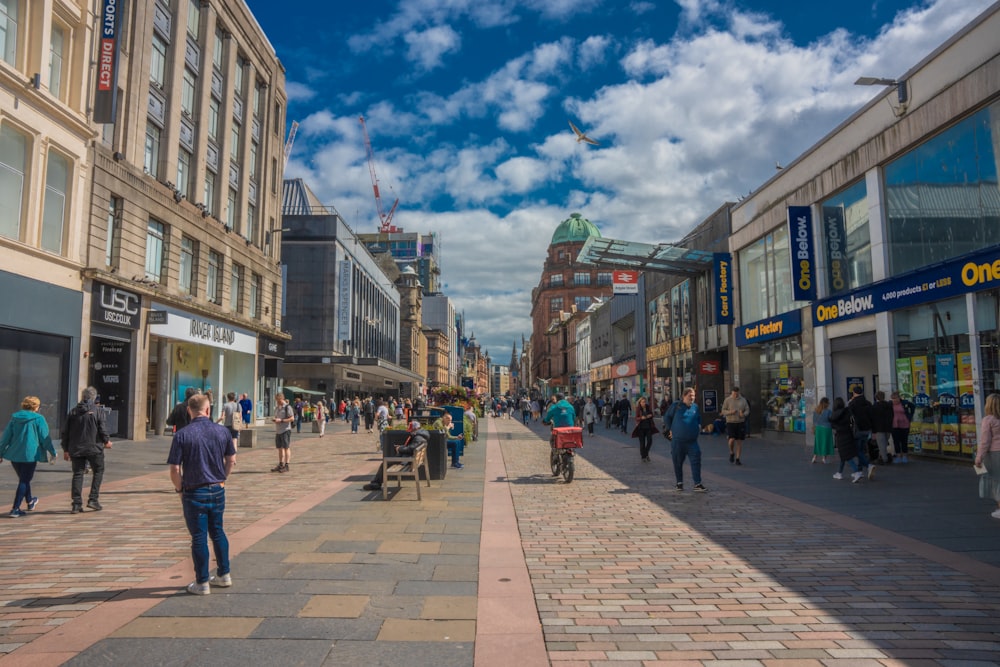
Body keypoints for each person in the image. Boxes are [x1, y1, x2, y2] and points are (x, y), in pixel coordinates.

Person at [167, 393, 237, 595]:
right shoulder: (222, 431)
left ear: (189, 410)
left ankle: (202, 582)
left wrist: (180, 489)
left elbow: (174, 469)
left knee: (198, 537)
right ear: (208, 410)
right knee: (218, 531)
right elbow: (231, 459)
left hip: (194, 490)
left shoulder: (182, 434)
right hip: (217, 488)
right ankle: (224, 574)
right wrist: (222, 479)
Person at [0, 396, 57, 517]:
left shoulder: (15, 418)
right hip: (30, 454)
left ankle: (30, 501)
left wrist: (0, 452)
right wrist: (52, 452)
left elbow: (5, 438)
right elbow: (44, 438)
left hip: (15, 455)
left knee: (24, 478)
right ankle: (15, 508)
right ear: (36, 407)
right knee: (24, 480)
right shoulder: (39, 419)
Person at [62, 387, 113, 513]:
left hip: (76, 447)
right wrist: (106, 441)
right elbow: (102, 428)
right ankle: (93, 499)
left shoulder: (73, 411)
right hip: (94, 447)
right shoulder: (98, 411)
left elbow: (65, 432)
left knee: (78, 474)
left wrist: (66, 449)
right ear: (94, 397)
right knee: (98, 471)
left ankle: (76, 503)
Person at [363, 421, 430, 491]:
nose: (410, 432)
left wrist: (400, 449)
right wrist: (401, 447)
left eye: (411, 430)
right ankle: (376, 483)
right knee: (387, 462)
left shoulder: (418, 438)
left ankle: (376, 484)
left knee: (384, 464)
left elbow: (410, 449)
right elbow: (412, 447)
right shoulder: (421, 436)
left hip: (407, 461)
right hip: (410, 459)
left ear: (415, 429)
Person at [663, 388, 707, 492]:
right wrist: (669, 429)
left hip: (692, 442)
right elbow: (667, 417)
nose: (692, 398)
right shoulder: (676, 406)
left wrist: (699, 425)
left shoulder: (695, 407)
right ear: (684, 396)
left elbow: (698, 418)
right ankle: (679, 483)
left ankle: (697, 483)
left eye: (693, 396)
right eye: (690, 396)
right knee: (677, 462)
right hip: (678, 441)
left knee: (696, 461)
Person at [975, 393, 1000, 519]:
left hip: (994, 453)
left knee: (996, 480)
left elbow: (985, 441)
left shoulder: (988, 420)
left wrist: (979, 458)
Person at [830, 397, 863, 482]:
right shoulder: (847, 412)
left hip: (840, 436)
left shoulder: (834, 415)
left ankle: (856, 471)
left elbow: (833, 425)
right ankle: (839, 472)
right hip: (849, 434)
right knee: (844, 455)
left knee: (846, 456)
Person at [848, 386, 874, 479]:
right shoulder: (868, 403)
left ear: (854, 393)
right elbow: (872, 417)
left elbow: (849, 416)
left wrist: (850, 402)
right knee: (862, 450)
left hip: (858, 429)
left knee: (857, 450)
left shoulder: (853, 403)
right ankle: (860, 470)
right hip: (867, 429)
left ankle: (868, 465)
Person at [722, 387, 749, 465]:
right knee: (731, 439)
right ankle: (731, 452)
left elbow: (747, 410)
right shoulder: (727, 400)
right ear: (731, 393)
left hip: (740, 422)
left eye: (737, 394)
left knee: (739, 441)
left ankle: (737, 458)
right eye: (734, 394)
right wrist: (730, 412)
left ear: (739, 393)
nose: (735, 395)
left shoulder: (743, 400)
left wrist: (743, 414)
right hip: (730, 421)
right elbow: (723, 411)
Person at [631, 396, 659, 462]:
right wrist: (641, 418)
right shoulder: (638, 408)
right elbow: (636, 418)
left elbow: (652, 414)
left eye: (644, 402)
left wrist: (650, 415)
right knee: (642, 443)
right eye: (643, 402)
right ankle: (643, 457)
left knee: (650, 441)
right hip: (641, 427)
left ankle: (645, 453)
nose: (644, 403)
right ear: (640, 402)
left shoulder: (647, 407)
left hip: (648, 426)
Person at [272, 394, 295, 473]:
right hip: (278, 430)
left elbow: (292, 418)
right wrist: (275, 419)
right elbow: (276, 416)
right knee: (279, 448)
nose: (277, 402)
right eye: (276, 400)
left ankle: (287, 465)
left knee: (286, 447)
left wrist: (281, 420)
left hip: (285, 430)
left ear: (282, 399)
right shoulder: (277, 408)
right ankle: (280, 464)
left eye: (279, 400)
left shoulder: (287, 407)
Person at [890, 391, 914, 464]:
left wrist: (910, 416)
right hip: (894, 425)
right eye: (893, 399)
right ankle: (898, 456)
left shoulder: (904, 403)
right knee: (896, 441)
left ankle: (905, 456)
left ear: (899, 398)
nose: (894, 400)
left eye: (896, 398)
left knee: (904, 441)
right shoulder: (890, 404)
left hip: (904, 424)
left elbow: (913, 406)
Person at [871, 390, 894, 464]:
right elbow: (892, 416)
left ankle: (884, 459)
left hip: (879, 428)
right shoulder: (889, 405)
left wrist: (873, 431)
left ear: (876, 397)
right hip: (888, 427)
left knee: (881, 445)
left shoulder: (875, 407)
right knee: (884, 443)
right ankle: (881, 457)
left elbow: (873, 419)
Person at [812, 397, 834, 464]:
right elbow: (831, 419)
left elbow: (814, 421)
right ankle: (823, 458)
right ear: (826, 403)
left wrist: (814, 429)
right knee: (825, 443)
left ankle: (814, 457)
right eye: (828, 402)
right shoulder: (829, 411)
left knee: (817, 443)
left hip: (818, 429)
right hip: (826, 429)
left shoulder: (816, 410)